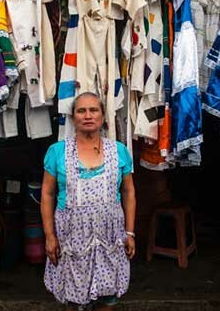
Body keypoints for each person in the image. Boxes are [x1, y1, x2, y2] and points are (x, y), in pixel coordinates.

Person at [41, 92, 137, 310]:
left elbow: (129, 192)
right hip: (72, 239)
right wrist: (49, 237)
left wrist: (129, 233)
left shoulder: (119, 151)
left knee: (108, 297)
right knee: (74, 298)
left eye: (94, 110)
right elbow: (47, 194)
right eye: (81, 111)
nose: (87, 115)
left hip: (110, 237)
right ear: (73, 118)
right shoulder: (57, 152)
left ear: (103, 117)